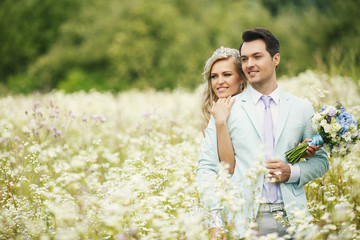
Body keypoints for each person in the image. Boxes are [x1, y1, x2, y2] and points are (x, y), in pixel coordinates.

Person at [197, 28, 329, 239]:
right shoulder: (226, 108)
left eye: (257, 57)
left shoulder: (301, 108)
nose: (250, 64)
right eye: (245, 59)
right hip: (245, 220)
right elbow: (207, 168)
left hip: (294, 217)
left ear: (275, 58)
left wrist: (291, 172)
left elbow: (322, 162)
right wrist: (215, 223)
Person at [200, 46, 247, 174]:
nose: (220, 81)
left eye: (227, 74)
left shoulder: (253, 109)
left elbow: (229, 168)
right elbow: (222, 167)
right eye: (214, 76)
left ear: (242, 77)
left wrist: (221, 122)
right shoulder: (209, 114)